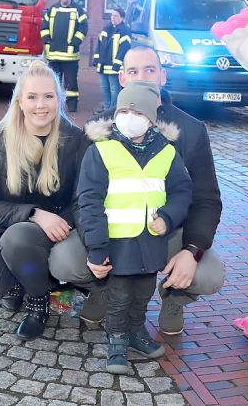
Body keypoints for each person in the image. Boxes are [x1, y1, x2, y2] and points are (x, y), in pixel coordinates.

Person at [50, 45, 225, 335]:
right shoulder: (98, 128)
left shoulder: (191, 130)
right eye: (133, 71)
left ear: (163, 76)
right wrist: (97, 246)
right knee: (65, 261)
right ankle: (103, 290)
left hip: (166, 233)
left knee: (208, 274)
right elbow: (82, 199)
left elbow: (207, 200)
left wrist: (192, 251)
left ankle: (174, 298)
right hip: (112, 231)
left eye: (150, 69)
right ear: (121, 79)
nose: (141, 77)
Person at [0, 61, 89, 341]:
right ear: (19, 100)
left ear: (59, 99)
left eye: (48, 96)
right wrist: (34, 214)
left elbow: (83, 198)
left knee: (20, 239)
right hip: (5, 230)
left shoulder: (75, 139)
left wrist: (58, 220)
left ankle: (38, 299)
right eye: (32, 97)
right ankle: (20, 277)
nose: (40, 105)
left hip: (60, 229)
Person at [77, 81, 192, 373]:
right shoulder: (101, 151)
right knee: (120, 295)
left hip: (151, 240)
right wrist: (96, 247)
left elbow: (182, 191)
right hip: (116, 242)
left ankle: (136, 331)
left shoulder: (167, 152)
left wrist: (167, 217)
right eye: (124, 110)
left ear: (151, 119)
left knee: (143, 291)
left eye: (137, 111)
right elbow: (89, 201)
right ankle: (117, 338)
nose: (129, 116)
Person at [41, 0, 88, 112]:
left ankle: (72, 106)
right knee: (53, 83)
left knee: (71, 83)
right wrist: (47, 40)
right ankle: (53, 106)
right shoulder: (52, 9)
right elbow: (44, 26)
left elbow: (83, 27)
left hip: (70, 56)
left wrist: (75, 42)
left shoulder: (78, 10)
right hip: (53, 55)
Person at [94, 8, 131, 112]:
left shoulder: (124, 31)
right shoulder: (106, 29)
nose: (113, 18)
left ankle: (113, 110)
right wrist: (96, 60)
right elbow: (99, 46)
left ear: (122, 18)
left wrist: (117, 65)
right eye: (112, 16)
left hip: (114, 67)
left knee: (114, 90)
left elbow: (124, 49)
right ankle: (106, 109)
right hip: (103, 65)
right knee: (104, 89)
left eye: (116, 16)